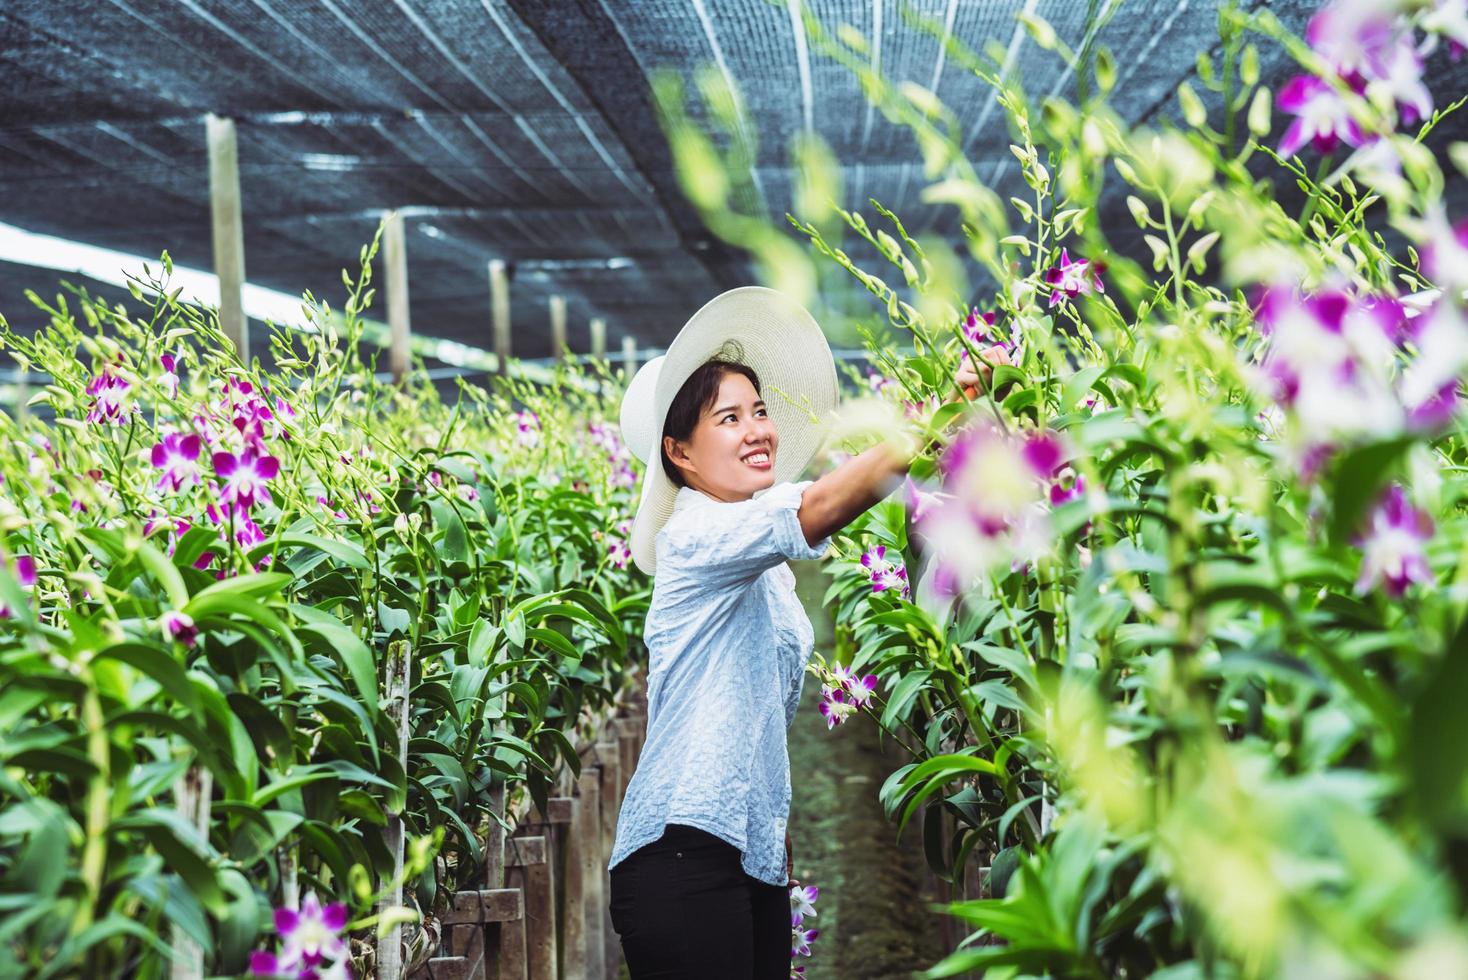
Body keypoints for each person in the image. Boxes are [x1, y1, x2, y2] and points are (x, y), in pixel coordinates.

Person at [606, 286, 1009, 978]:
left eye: (759, 410)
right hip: (680, 854)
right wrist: (939, 409)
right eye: (727, 418)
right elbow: (819, 504)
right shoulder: (695, 535)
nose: (757, 428)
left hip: (744, 850)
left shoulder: (758, 564)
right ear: (680, 453)